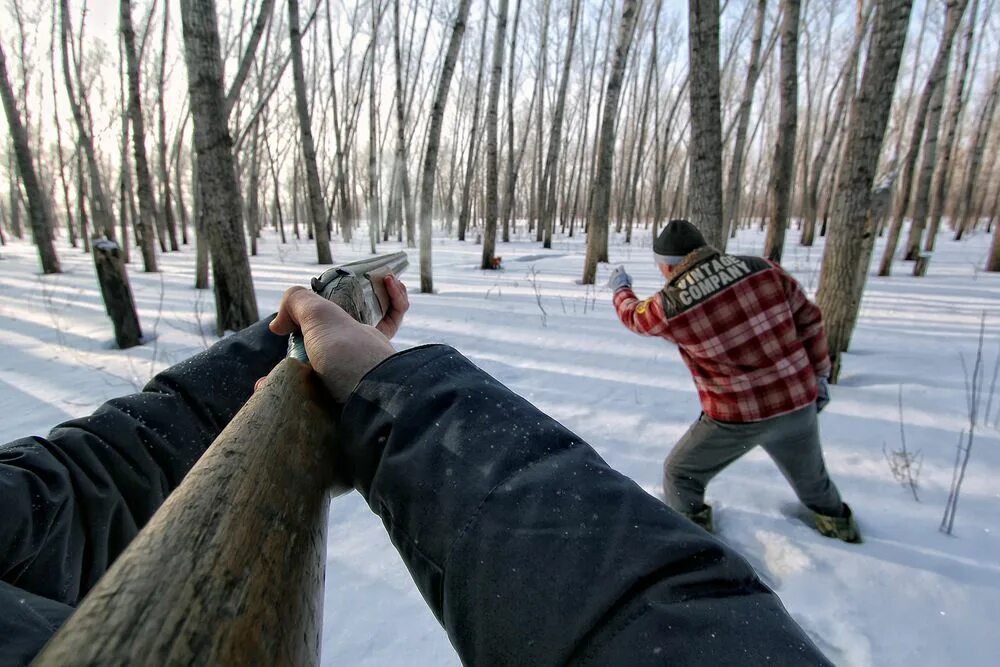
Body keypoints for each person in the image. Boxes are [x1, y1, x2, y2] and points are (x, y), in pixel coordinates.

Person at [1, 274, 833, 666]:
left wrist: (309, 345)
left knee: (691, 474)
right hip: (793, 396)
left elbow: (83, 479)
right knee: (703, 477)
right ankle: (825, 510)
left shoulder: (686, 292)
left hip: (738, 405)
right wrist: (391, 389)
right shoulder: (759, 271)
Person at [608, 219, 860, 543]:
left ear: (668, 267)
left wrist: (620, 288)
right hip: (797, 402)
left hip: (736, 418)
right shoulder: (761, 268)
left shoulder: (671, 304)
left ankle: (695, 550)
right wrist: (821, 375)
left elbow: (634, 316)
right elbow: (809, 319)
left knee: (681, 474)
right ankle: (842, 532)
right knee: (814, 482)